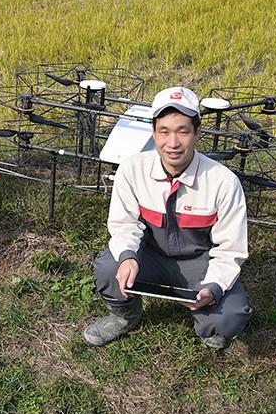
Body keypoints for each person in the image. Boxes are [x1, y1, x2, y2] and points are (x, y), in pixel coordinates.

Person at [84, 87, 253, 350]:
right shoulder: (132, 169)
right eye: (164, 131)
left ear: (198, 133)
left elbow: (231, 249)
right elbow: (125, 224)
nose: (172, 143)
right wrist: (128, 257)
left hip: (200, 261)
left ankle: (211, 324)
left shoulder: (223, 182)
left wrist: (213, 287)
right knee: (109, 268)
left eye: (183, 131)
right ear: (153, 132)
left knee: (230, 317)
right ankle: (125, 317)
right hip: (149, 255)